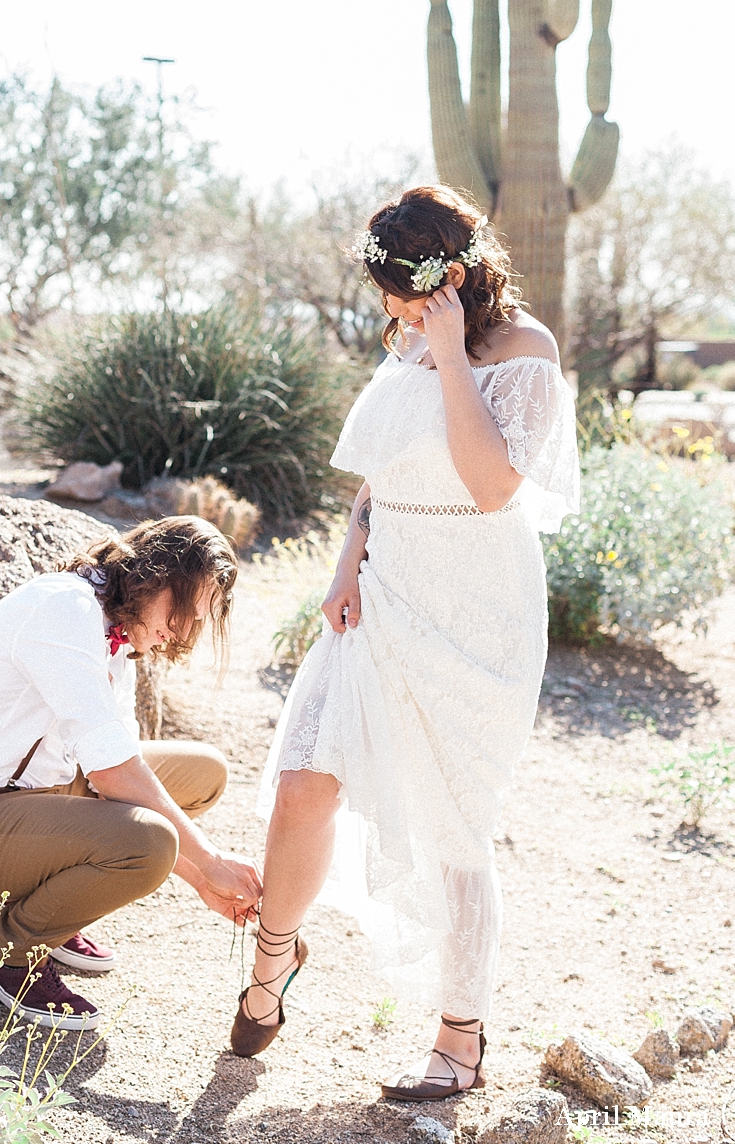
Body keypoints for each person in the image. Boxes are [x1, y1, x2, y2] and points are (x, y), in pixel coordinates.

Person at [230, 185, 579, 1101]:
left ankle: (458, 1042)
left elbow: (491, 483)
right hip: (383, 588)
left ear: (450, 278)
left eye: (400, 290)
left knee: (453, 824)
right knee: (305, 783)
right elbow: (381, 477)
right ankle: (272, 961)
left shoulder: (524, 352)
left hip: (477, 612)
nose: (389, 309)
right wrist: (346, 562)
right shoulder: (402, 344)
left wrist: (448, 354)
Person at [0, 515, 262, 1031]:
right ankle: (3, 953)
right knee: (149, 842)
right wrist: (207, 862)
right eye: (184, 609)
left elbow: (115, 769)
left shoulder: (115, 633)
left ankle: (51, 910)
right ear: (156, 574)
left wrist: (200, 882)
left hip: (29, 806)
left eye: (199, 619)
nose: (183, 631)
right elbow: (115, 773)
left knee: (203, 774)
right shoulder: (65, 608)